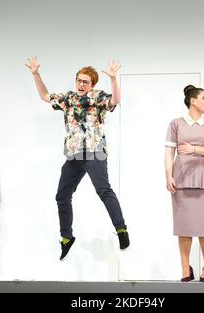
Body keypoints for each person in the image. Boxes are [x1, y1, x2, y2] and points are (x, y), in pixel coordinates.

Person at [25, 57, 129, 261]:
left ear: (92, 84)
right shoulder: (68, 98)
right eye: (79, 80)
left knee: (103, 190)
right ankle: (66, 237)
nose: (81, 85)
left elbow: (115, 100)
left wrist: (114, 79)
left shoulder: (98, 97)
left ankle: (121, 229)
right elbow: (45, 95)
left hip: (94, 152)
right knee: (62, 196)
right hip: (73, 155)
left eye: (85, 82)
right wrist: (36, 74)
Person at [165, 85, 204, 282]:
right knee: (184, 226)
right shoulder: (176, 124)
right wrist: (168, 175)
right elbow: (169, 152)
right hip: (182, 178)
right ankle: (184, 269)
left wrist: (194, 149)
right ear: (193, 100)